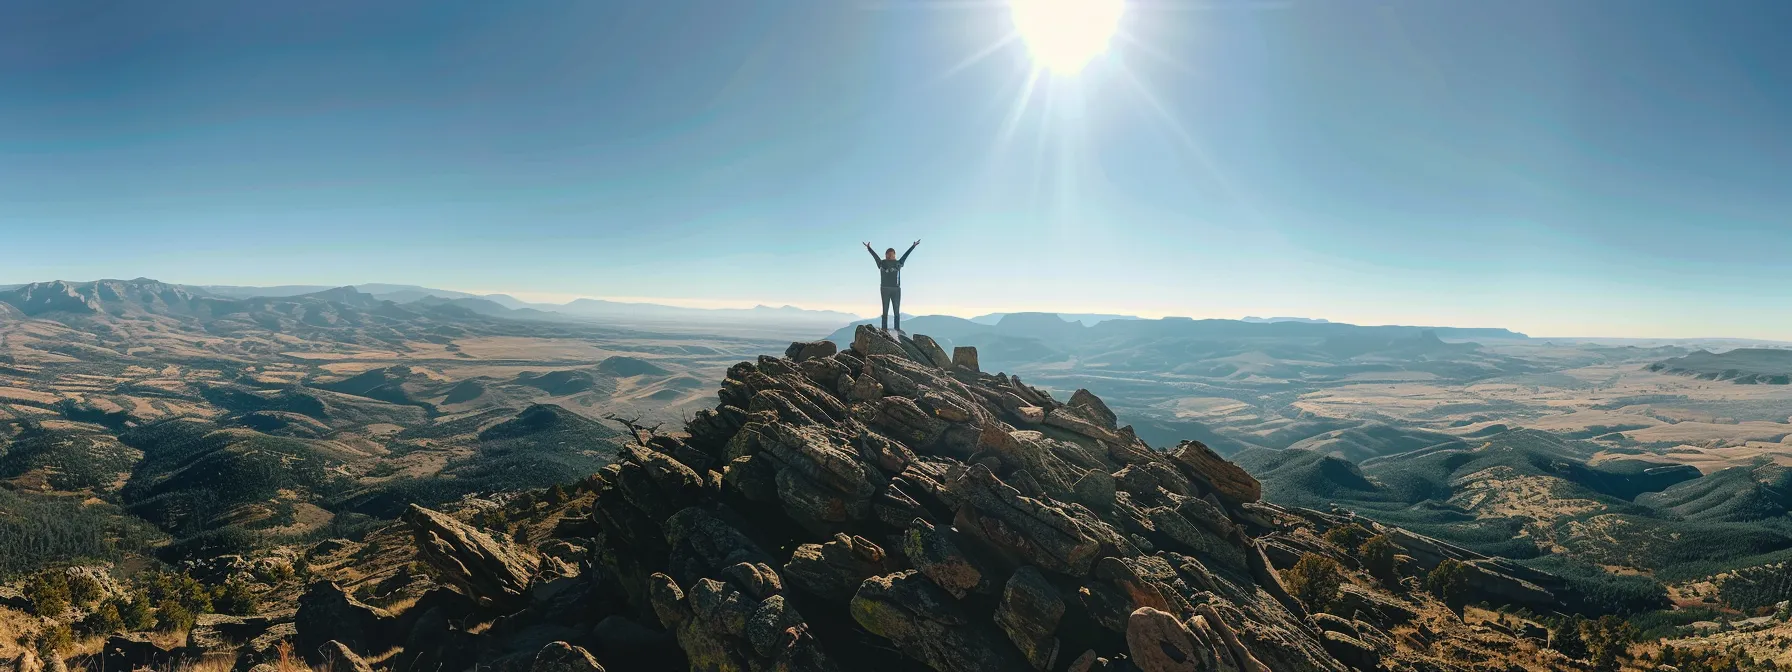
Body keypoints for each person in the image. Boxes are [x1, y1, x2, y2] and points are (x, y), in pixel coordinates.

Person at [864, 239, 918, 332]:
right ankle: (884, 328)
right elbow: (875, 257)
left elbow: (906, 255)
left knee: (896, 310)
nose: (889, 256)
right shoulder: (882, 263)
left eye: (891, 254)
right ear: (885, 255)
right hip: (885, 288)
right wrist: (869, 248)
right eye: (887, 254)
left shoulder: (898, 263)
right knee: (885, 309)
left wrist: (913, 246)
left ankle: (897, 328)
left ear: (894, 254)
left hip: (896, 289)